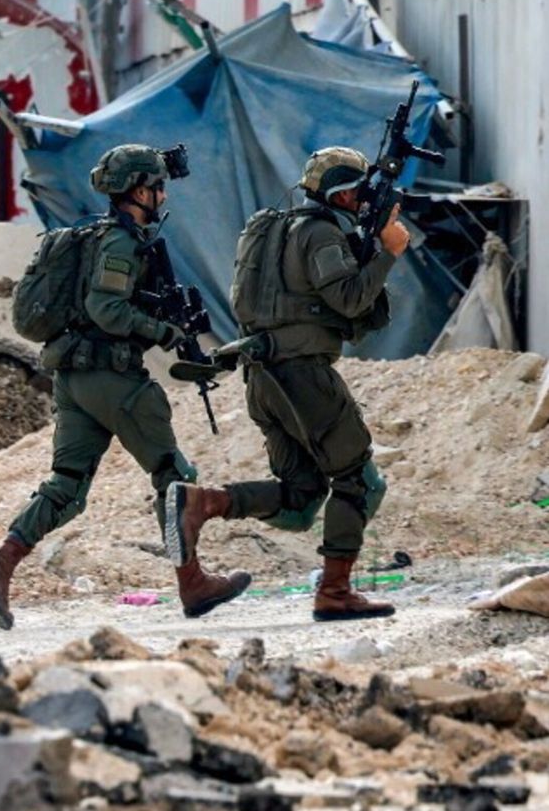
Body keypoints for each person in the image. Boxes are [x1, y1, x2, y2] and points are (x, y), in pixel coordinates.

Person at [0, 145, 250, 629]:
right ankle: (193, 582)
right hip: (112, 378)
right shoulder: (120, 244)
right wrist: (166, 332)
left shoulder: (92, 237)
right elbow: (107, 311)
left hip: (74, 379)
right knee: (175, 479)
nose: (163, 196)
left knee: (67, 487)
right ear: (139, 190)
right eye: (158, 187)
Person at [166, 147, 406, 621]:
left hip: (263, 375)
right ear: (341, 192)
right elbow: (352, 298)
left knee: (300, 496)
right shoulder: (319, 234)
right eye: (357, 193)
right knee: (358, 480)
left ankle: (204, 502)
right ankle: (335, 592)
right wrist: (389, 253)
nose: (362, 202)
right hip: (303, 375)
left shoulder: (274, 229)